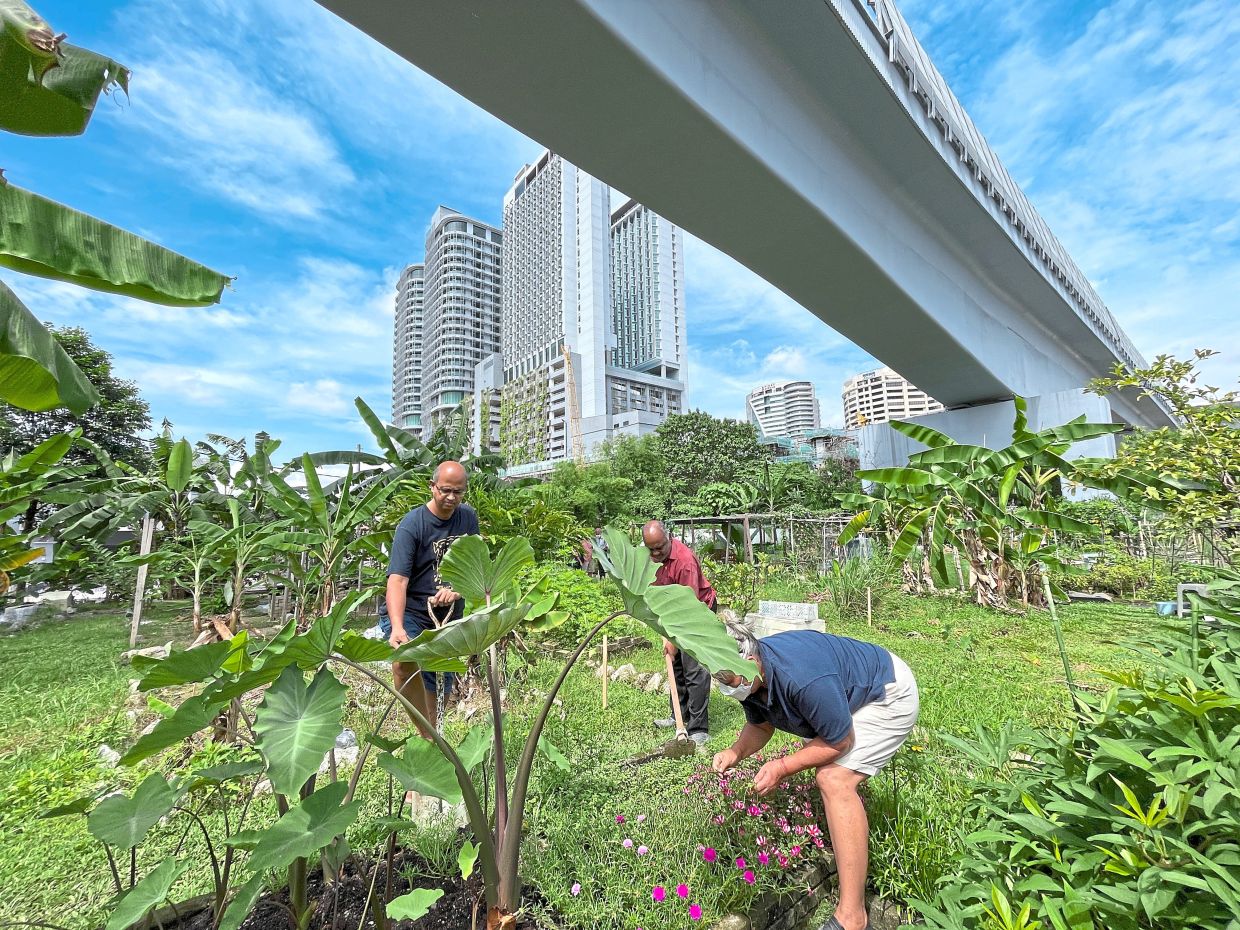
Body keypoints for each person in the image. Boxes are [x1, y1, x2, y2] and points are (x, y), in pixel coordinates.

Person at [711, 616, 919, 930]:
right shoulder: (754, 678)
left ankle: (853, 917)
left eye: (730, 679)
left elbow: (839, 741)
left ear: (751, 662)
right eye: (723, 681)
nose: (729, 687)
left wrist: (780, 767)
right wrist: (735, 751)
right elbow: (761, 724)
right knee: (829, 774)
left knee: (834, 779)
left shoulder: (802, 677)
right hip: (849, 692)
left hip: (888, 692)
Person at [380, 460, 479, 736]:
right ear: (432, 487)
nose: (451, 498)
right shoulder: (413, 525)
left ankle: (432, 738)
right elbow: (397, 580)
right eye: (445, 490)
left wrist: (458, 589)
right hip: (411, 611)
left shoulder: (468, 518)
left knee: (438, 683)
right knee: (403, 661)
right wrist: (398, 627)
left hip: (448, 617)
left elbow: (474, 563)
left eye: (458, 492)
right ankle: (427, 735)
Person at [642, 519, 716, 745]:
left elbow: (689, 606)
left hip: (697, 611)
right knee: (675, 667)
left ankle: (698, 727)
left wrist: (674, 640)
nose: (655, 553)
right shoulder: (652, 559)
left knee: (694, 668)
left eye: (659, 548)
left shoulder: (684, 561)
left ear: (669, 539)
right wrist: (665, 632)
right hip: (671, 614)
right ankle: (678, 717)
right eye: (651, 549)